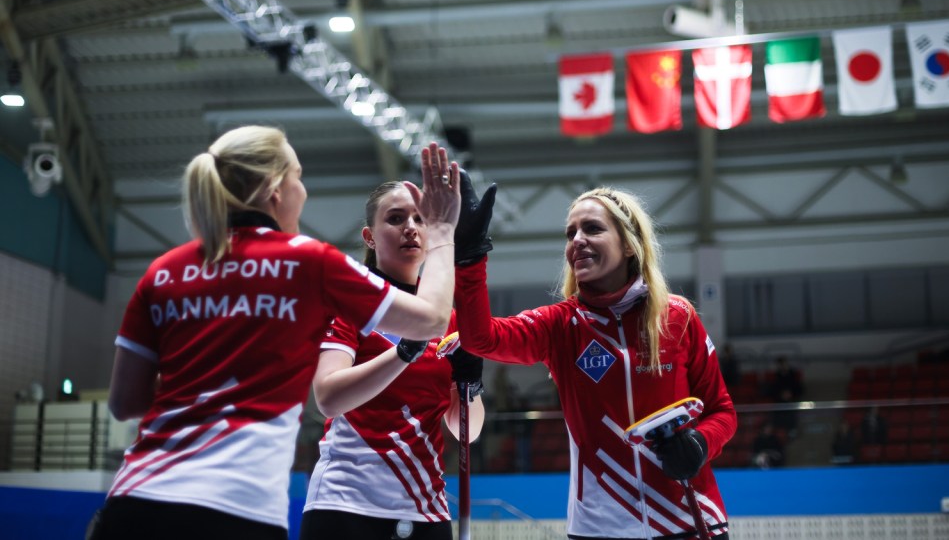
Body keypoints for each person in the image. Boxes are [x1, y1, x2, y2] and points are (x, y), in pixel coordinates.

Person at [88, 127, 461, 540]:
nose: (303, 190)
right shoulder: (309, 262)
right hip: (235, 508)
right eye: (298, 177)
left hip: (134, 500)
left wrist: (205, 382)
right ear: (275, 190)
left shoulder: (165, 269)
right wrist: (443, 229)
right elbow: (431, 320)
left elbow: (125, 403)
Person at [457, 186, 736, 539]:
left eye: (592, 228)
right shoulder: (560, 325)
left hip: (690, 522)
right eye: (570, 233)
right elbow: (481, 338)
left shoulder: (677, 317)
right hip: (600, 528)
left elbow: (722, 411)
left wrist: (700, 444)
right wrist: (470, 258)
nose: (577, 240)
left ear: (629, 244)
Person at [300, 173, 492, 540]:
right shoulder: (350, 304)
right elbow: (327, 398)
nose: (411, 228)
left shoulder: (448, 320)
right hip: (345, 504)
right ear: (369, 236)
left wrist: (471, 384)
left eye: (420, 219)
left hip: (424, 509)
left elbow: (468, 432)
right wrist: (404, 353)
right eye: (396, 218)